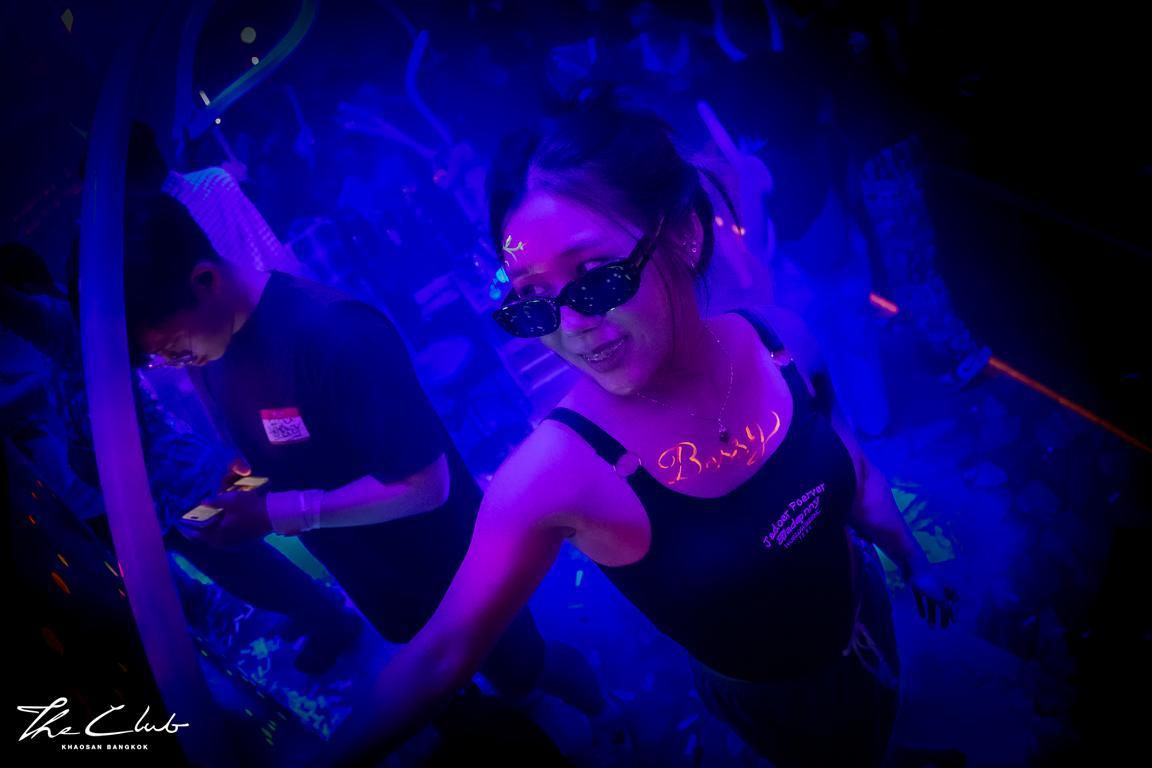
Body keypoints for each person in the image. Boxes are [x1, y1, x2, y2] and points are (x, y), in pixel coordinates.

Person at [330, 98, 958, 767]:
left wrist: (913, 561)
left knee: (880, 724)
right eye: (534, 302)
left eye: (596, 279)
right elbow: (440, 655)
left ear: (683, 233)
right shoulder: (555, 474)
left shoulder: (780, 342)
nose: (572, 327)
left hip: (866, 615)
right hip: (774, 703)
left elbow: (853, 472)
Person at [120, 193, 603, 735]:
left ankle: (609, 723)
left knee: (525, 675)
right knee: (458, 703)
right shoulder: (212, 352)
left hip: (454, 563)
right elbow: (269, 453)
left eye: (175, 348)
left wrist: (277, 513)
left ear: (204, 280)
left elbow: (425, 485)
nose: (176, 363)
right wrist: (234, 491)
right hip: (373, 575)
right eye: (162, 358)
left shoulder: (334, 334)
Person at [0, 241, 363, 676]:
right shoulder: (63, 330)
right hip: (163, 482)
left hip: (172, 478)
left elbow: (19, 313)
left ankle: (328, 618)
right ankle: (312, 609)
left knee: (233, 561)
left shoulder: (59, 322)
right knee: (229, 560)